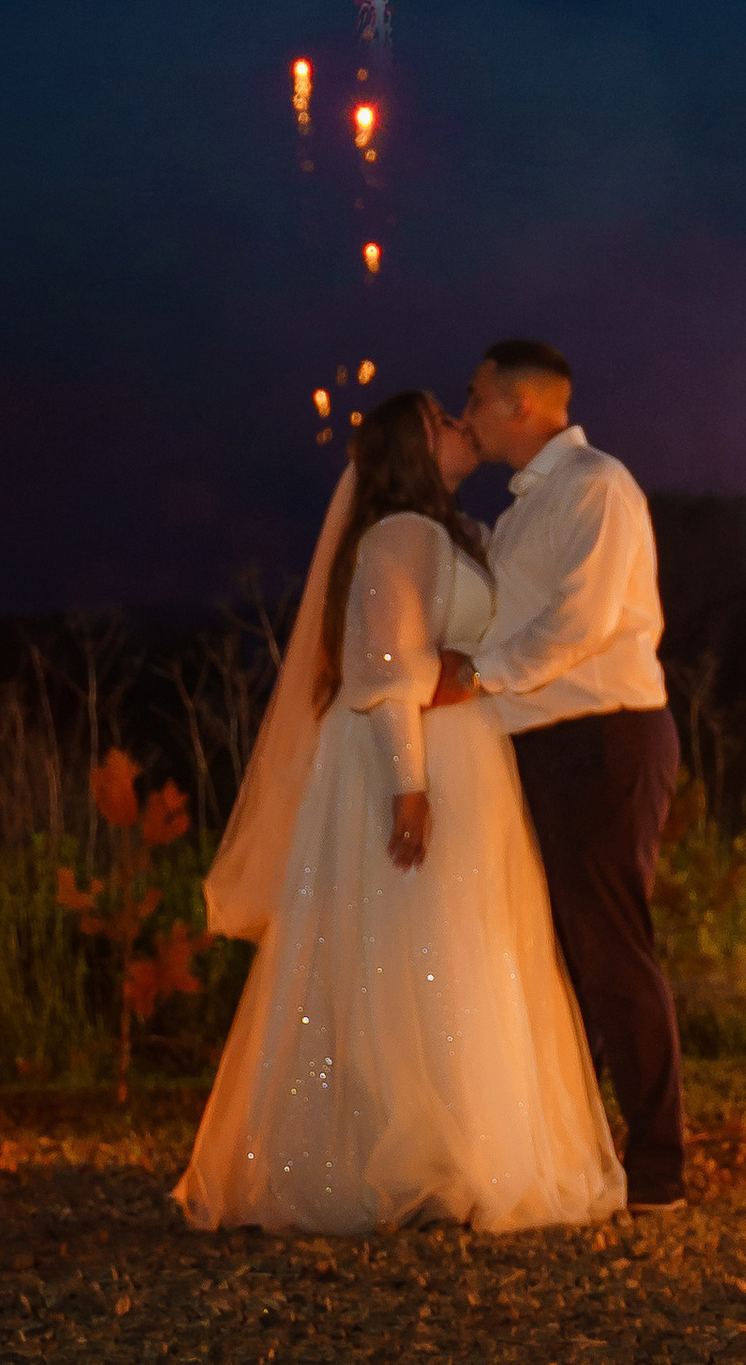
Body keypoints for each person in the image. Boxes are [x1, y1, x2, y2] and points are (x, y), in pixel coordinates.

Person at [176, 384, 623, 1236]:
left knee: (450, 942)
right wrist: (407, 788)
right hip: (413, 760)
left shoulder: (443, 532)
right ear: (415, 451)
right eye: (442, 423)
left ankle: (453, 1151)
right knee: (414, 941)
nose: (460, 426)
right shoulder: (401, 533)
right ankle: (409, 1158)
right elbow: (387, 669)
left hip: (459, 755)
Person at [432, 337, 687, 1212]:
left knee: (610, 946)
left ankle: (658, 1165)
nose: (466, 411)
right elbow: (504, 610)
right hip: (545, 742)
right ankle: (577, 1151)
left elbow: (580, 622)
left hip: (603, 735)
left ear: (523, 405)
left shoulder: (596, 487)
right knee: (560, 954)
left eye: (476, 396)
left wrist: (476, 678)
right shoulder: (522, 512)